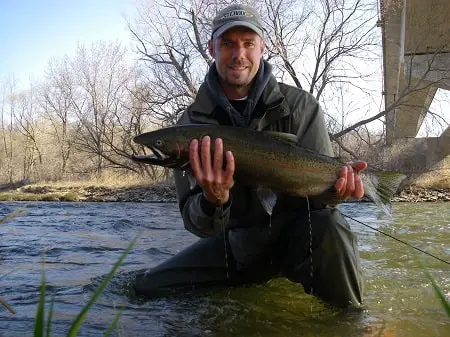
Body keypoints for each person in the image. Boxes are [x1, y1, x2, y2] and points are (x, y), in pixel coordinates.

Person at [134, 3, 367, 308]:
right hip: (235, 246)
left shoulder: (301, 107)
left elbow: (323, 203)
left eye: (248, 43)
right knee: (146, 288)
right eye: (228, 43)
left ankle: (353, 322)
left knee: (333, 227)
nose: (238, 54)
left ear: (262, 48)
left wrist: (339, 191)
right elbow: (198, 226)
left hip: (296, 237)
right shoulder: (192, 124)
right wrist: (212, 200)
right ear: (211, 49)